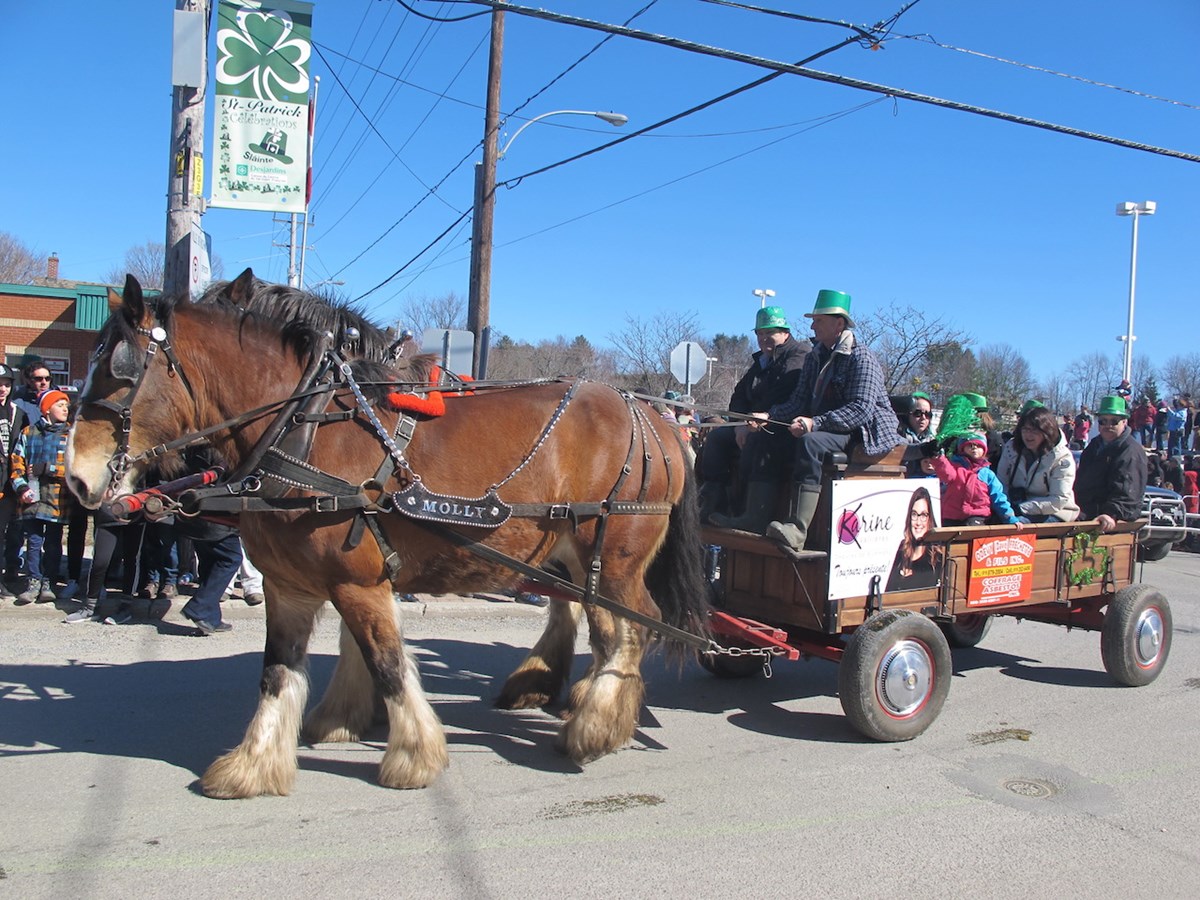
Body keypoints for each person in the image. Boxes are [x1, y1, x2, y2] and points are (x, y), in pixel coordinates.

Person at [750, 290, 899, 553]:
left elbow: (860, 410)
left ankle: (797, 530)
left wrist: (814, 423)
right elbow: (798, 401)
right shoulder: (815, 357)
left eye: (818, 320)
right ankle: (754, 516)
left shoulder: (862, 358)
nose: (811, 326)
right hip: (827, 425)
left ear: (838, 323)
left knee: (810, 443)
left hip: (863, 432)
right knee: (767, 436)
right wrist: (769, 417)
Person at [704, 305, 808, 529]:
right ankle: (713, 503)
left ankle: (752, 515)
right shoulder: (760, 361)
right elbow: (739, 395)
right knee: (716, 438)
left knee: (760, 443)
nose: (763, 339)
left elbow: (780, 394)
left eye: (769, 333)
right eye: (759, 334)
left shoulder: (799, 355)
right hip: (751, 424)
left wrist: (753, 421)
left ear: (785, 333)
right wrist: (741, 423)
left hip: (781, 427)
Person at [10, 390, 72, 604]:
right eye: (60, 404)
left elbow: (74, 468)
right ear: (46, 409)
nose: (65, 409)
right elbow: (17, 463)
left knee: (54, 543)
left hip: (58, 499)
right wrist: (22, 488)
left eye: (66, 405)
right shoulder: (28, 433)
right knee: (34, 542)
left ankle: (49, 581)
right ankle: (33, 580)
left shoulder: (70, 434)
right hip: (32, 498)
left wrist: (48, 468)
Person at [1074, 395, 1147, 532]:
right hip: (1085, 513)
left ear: (1124, 422)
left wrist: (1111, 514)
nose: (1108, 425)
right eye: (1103, 421)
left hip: (1111, 521)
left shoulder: (1131, 451)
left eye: (1114, 421)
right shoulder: (1094, 446)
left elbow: (1128, 493)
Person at [995, 405, 1080, 524]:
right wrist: (1005, 509)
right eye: (1025, 429)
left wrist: (1021, 508)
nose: (1028, 435)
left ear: (1047, 432)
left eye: (1034, 430)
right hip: (1014, 506)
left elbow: (1058, 500)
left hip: (1054, 511)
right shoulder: (1011, 447)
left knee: (1018, 524)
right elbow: (1001, 483)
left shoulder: (1062, 457)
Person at [921, 433, 1020, 527]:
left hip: (977, 515)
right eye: (970, 445)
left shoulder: (987, 474)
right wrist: (938, 458)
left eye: (978, 445)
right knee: (947, 537)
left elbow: (998, 497)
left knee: (970, 530)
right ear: (962, 448)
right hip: (952, 515)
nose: (974, 448)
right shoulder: (955, 467)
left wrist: (1010, 517)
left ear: (984, 450)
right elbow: (946, 474)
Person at [0, 364, 30, 599]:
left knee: (12, 532)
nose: (2, 389)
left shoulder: (18, 413)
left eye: (7, 385)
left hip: (11, 484)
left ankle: (10, 573)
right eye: (0, 385)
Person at [886, 486, 942, 592]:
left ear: (930, 518)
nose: (918, 522)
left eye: (924, 515)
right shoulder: (901, 549)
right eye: (914, 514)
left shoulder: (937, 557)